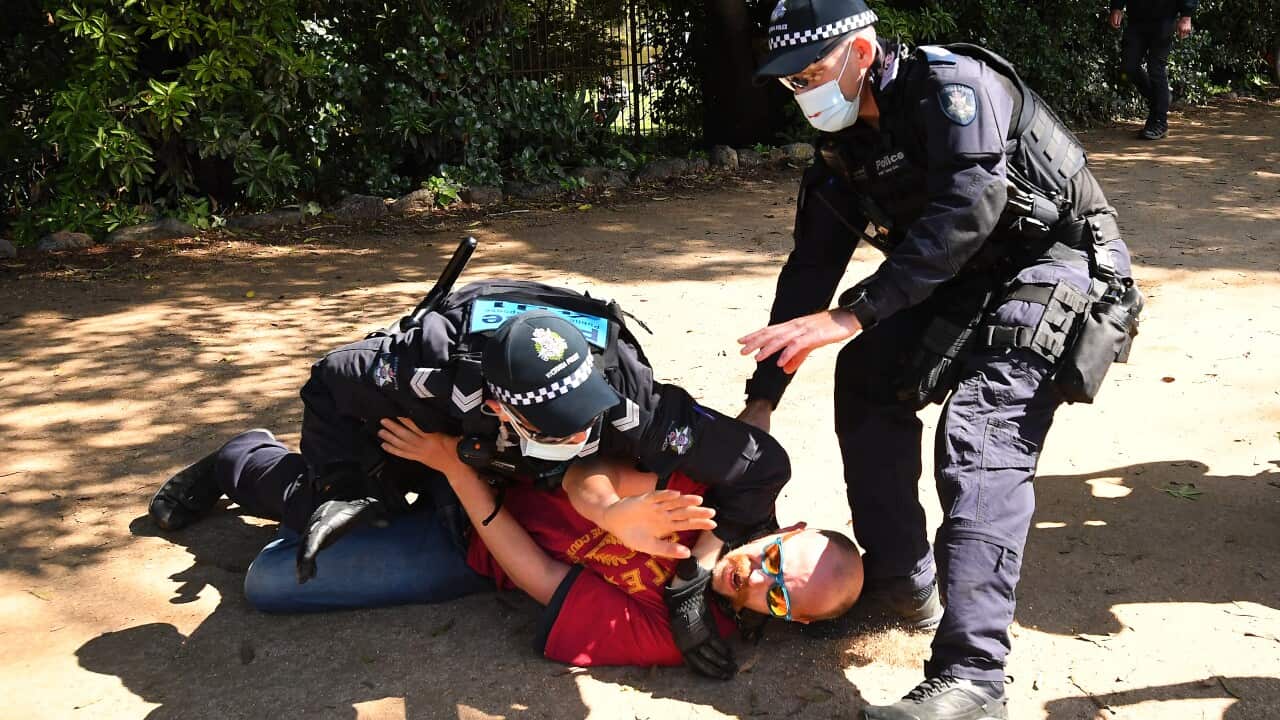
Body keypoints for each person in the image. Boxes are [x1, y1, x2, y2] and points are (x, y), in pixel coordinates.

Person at [740, 1, 1141, 718]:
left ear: (861, 51)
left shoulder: (954, 87)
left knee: (981, 431)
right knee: (866, 377)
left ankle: (973, 678)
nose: (804, 92)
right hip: (960, 274)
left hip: (1054, 262)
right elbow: (810, 270)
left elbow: (972, 202)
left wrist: (856, 312)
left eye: (813, 72)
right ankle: (902, 584)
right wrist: (762, 396)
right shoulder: (842, 154)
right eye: (791, 81)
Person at [151, 283, 792, 678]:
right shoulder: (421, 369)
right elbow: (328, 383)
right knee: (321, 507)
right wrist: (345, 484)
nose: (580, 435)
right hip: (430, 436)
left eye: (586, 415)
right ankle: (239, 459)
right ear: (498, 407)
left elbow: (761, 463)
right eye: (557, 425)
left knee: (272, 583)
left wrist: (690, 577)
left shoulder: (633, 402)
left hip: (476, 513)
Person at [209, 420, 862, 670]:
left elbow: (541, 576)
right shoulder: (729, 495)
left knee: (271, 582)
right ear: (790, 530)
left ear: (793, 620)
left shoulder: (689, 632)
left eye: (779, 597)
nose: (757, 579)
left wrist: (453, 474)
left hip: (472, 532)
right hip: (504, 458)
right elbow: (592, 467)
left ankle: (267, 469)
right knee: (331, 484)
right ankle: (239, 457)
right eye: (775, 562)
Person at [1110, 0, 1197, 140]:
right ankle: (1160, 101)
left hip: (1164, 18)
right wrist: (1117, 7)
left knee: (1156, 68)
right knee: (1128, 67)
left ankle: (1159, 122)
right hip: (1137, 18)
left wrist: (1186, 15)